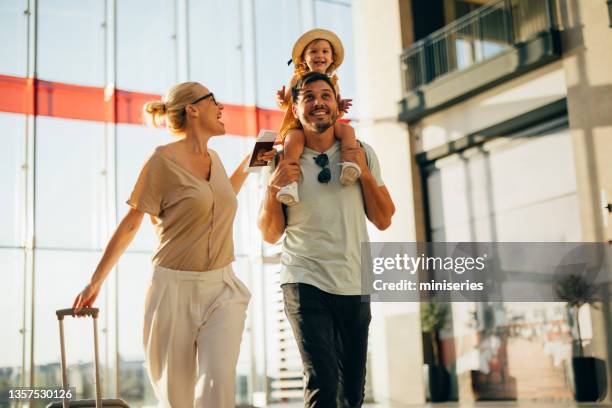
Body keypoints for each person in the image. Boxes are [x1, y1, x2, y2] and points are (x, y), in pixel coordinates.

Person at [71, 82, 275, 408]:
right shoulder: (162, 161)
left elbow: (225, 193)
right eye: (214, 101)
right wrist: (95, 281)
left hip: (222, 288)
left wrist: (266, 146)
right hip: (172, 291)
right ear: (192, 109)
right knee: (177, 399)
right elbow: (131, 223)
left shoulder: (216, 159)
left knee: (217, 384)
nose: (222, 108)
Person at [258, 71, 395, 407]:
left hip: (353, 280)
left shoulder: (362, 151)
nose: (318, 102)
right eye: (308, 96)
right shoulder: (278, 159)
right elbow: (270, 234)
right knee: (323, 382)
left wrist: (362, 171)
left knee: (351, 393)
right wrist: (274, 188)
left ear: (336, 104)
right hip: (303, 278)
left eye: (325, 95)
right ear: (296, 106)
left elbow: (384, 219)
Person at [275, 28, 360, 206]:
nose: (319, 55)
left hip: (325, 125)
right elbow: (288, 103)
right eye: (313, 51)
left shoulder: (334, 83)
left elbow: (332, 112)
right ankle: (290, 184)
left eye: (324, 51)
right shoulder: (297, 78)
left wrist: (341, 109)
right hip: (300, 125)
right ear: (304, 58)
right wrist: (281, 99)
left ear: (331, 58)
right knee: (292, 142)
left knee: (348, 131)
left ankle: (349, 164)